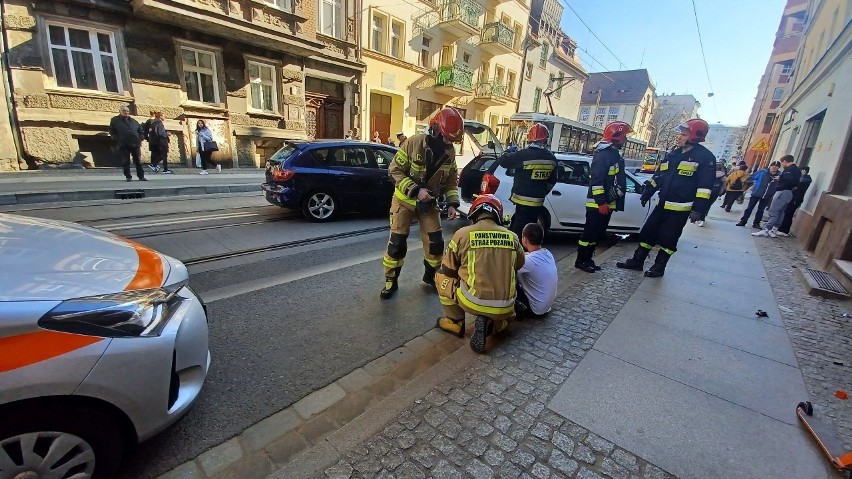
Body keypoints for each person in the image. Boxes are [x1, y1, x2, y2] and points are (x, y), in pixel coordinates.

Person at [616, 119, 716, 277]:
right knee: (648, 233)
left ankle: (659, 267)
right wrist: (648, 189)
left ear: (696, 136)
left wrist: (698, 210)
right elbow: (660, 175)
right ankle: (637, 261)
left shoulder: (705, 157)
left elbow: (705, 187)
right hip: (662, 203)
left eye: (683, 134)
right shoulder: (673, 154)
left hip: (680, 208)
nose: (679, 137)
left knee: (669, 239)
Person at [380, 107, 462, 299]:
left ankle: (430, 277)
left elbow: (451, 180)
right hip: (404, 201)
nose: (449, 143)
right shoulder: (413, 143)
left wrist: (452, 203)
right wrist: (416, 191)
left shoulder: (449, 152)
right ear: (434, 130)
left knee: (435, 243)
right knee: (397, 243)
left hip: (429, 204)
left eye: (452, 140)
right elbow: (394, 171)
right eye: (446, 138)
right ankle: (391, 281)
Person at [435, 194, 525, 353]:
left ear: (474, 213)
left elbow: (448, 269)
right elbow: (519, 265)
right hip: (506, 305)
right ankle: (494, 325)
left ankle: (455, 323)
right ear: (498, 214)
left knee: (440, 275)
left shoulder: (462, 234)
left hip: (473, 301)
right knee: (506, 317)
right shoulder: (513, 237)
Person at [576, 121, 631, 272]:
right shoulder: (604, 155)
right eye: (624, 136)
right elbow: (597, 182)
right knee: (590, 233)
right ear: (617, 136)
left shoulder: (613, 155)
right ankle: (581, 260)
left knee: (597, 234)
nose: (625, 140)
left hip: (607, 203)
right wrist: (601, 203)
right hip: (598, 204)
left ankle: (588, 259)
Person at [498, 123, 558, 240]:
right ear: (545, 140)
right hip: (538, 202)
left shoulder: (524, 155)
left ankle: (520, 254)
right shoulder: (551, 158)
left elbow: (503, 162)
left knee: (520, 232)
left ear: (530, 139)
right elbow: (553, 180)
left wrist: (507, 152)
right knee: (531, 230)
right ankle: (528, 252)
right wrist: (542, 192)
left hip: (522, 201)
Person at [515, 222, 557, 320]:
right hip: (546, 307)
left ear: (524, 239)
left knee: (510, 280)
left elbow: (509, 266)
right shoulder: (547, 253)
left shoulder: (528, 262)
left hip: (535, 310)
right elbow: (528, 256)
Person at [753, 155, 801, 238]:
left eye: (782, 163)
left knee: (774, 211)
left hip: (783, 191)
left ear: (785, 161)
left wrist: (780, 178)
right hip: (789, 192)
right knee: (781, 212)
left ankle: (766, 230)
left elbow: (788, 180)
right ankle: (774, 230)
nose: (782, 165)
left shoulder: (790, 170)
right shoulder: (797, 170)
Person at [736, 161, 780, 228]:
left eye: (776, 166)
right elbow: (750, 178)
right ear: (770, 166)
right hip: (756, 193)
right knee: (749, 208)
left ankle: (756, 223)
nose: (774, 167)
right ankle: (743, 221)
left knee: (761, 210)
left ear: (778, 167)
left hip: (767, 196)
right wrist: (753, 183)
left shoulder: (780, 176)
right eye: (773, 165)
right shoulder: (762, 172)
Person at [108, 105, 146, 182]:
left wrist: (140, 139)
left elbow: (140, 130)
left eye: (127, 111)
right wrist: (117, 139)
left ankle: (141, 176)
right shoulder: (115, 120)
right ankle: (128, 176)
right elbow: (112, 131)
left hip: (135, 144)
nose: (126, 112)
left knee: (138, 161)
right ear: (120, 111)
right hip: (123, 144)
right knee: (126, 161)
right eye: (124, 111)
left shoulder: (134, 121)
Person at [777, 166, 812, 236]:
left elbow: (797, 187)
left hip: (796, 198)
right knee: (786, 212)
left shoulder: (806, 179)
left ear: (805, 171)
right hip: (793, 197)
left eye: (802, 170)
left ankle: (785, 230)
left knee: (789, 214)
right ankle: (781, 228)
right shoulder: (802, 178)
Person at [694, 162, 727, 227]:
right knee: (708, 205)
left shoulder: (708, 173)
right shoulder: (723, 175)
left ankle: (700, 217)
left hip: (705, 191)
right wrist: (720, 192)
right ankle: (703, 217)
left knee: (702, 204)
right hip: (715, 193)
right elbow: (724, 185)